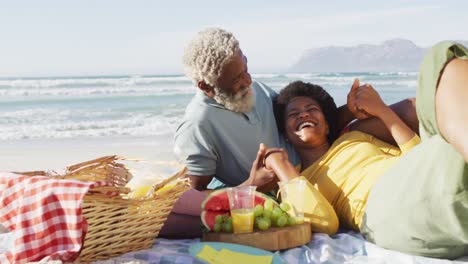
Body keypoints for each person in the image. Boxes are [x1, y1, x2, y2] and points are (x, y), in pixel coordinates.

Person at [159, 27, 418, 238]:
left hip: (324, 153)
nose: (248, 80)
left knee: (409, 109)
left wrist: (350, 111)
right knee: (172, 217)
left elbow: (301, 121)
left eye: (246, 68)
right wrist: (252, 186)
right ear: (207, 86)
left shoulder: (255, 89)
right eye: (237, 80)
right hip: (284, 187)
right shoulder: (198, 124)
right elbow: (195, 194)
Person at [262, 42, 468, 259]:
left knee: (444, 59)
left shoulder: (353, 137)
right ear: (285, 134)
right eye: (294, 114)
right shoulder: (296, 181)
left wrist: (380, 110)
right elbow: (325, 221)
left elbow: (416, 156)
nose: (304, 115)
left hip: (419, 175)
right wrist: (279, 163)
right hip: (384, 209)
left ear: (328, 124)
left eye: (312, 109)